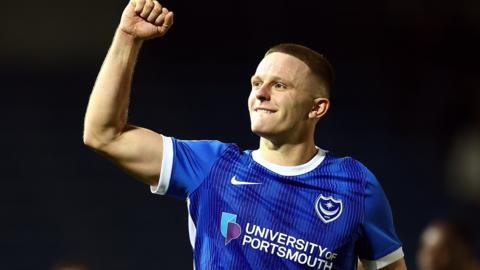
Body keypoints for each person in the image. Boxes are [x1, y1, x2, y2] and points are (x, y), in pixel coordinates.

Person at [83, 0, 407, 269]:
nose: (261, 93)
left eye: (279, 85)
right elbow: (103, 134)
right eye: (256, 83)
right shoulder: (212, 166)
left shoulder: (355, 186)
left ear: (317, 108)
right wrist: (127, 37)